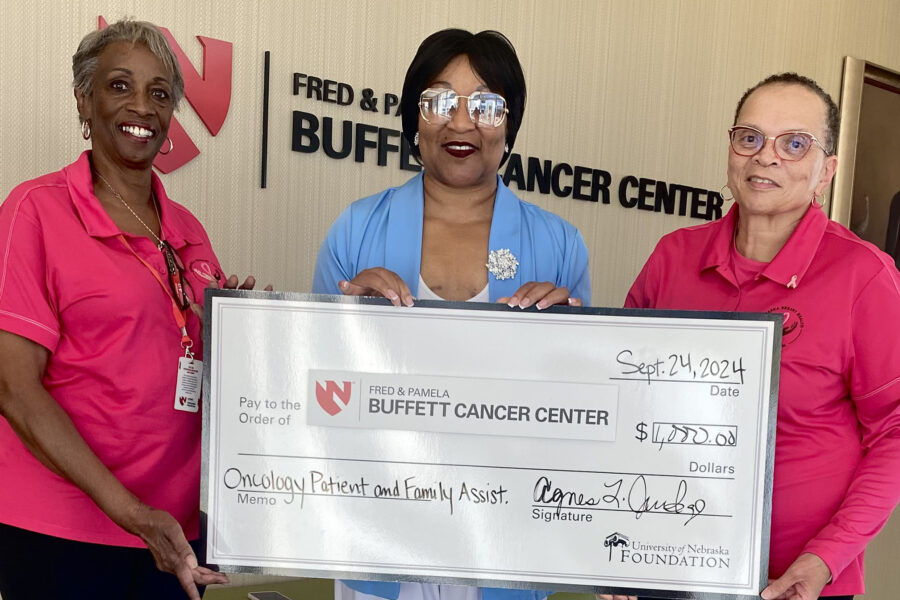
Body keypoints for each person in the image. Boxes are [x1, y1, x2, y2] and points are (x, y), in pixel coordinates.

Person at [314, 28, 589, 600]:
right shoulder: (356, 229)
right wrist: (341, 324)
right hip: (380, 532)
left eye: (486, 104)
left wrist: (570, 348)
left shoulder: (560, 245)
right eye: (439, 100)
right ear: (415, 118)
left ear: (508, 125)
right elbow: (313, 395)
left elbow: (580, 416)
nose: (461, 122)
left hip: (506, 539)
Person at [0, 19, 267, 600]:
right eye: (120, 86)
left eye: (159, 92)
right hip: (62, 530)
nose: (141, 106)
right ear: (84, 99)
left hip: (172, 536)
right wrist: (131, 511)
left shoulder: (188, 230)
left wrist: (248, 332)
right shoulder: (36, 211)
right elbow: (15, 388)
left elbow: (196, 368)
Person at [619, 73, 900, 600]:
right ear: (731, 152)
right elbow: (624, 400)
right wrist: (606, 548)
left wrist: (827, 557)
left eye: (795, 144)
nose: (765, 156)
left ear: (826, 171)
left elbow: (896, 430)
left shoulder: (864, 277)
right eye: (749, 137)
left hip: (794, 584)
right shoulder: (673, 257)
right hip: (663, 567)